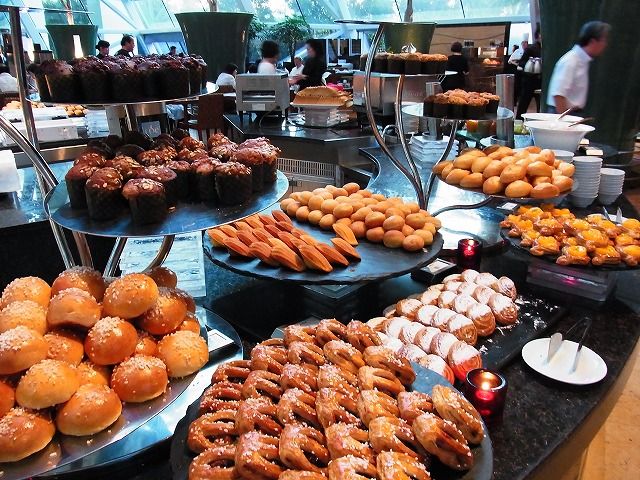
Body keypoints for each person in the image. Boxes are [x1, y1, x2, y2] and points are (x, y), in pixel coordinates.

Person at [547, 21, 610, 114]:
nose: (605, 44)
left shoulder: (582, 60)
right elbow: (558, 95)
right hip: (563, 114)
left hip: (572, 113)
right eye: (603, 40)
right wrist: (564, 120)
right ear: (592, 42)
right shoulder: (570, 61)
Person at [515, 29, 542, 119]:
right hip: (529, 80)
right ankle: (519, 120)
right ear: (538, 36)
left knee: (540, 104)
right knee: (524, 103)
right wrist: (532, 63)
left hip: (541, 80)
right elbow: (521, 62)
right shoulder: (531, 48)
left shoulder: (547, 48)